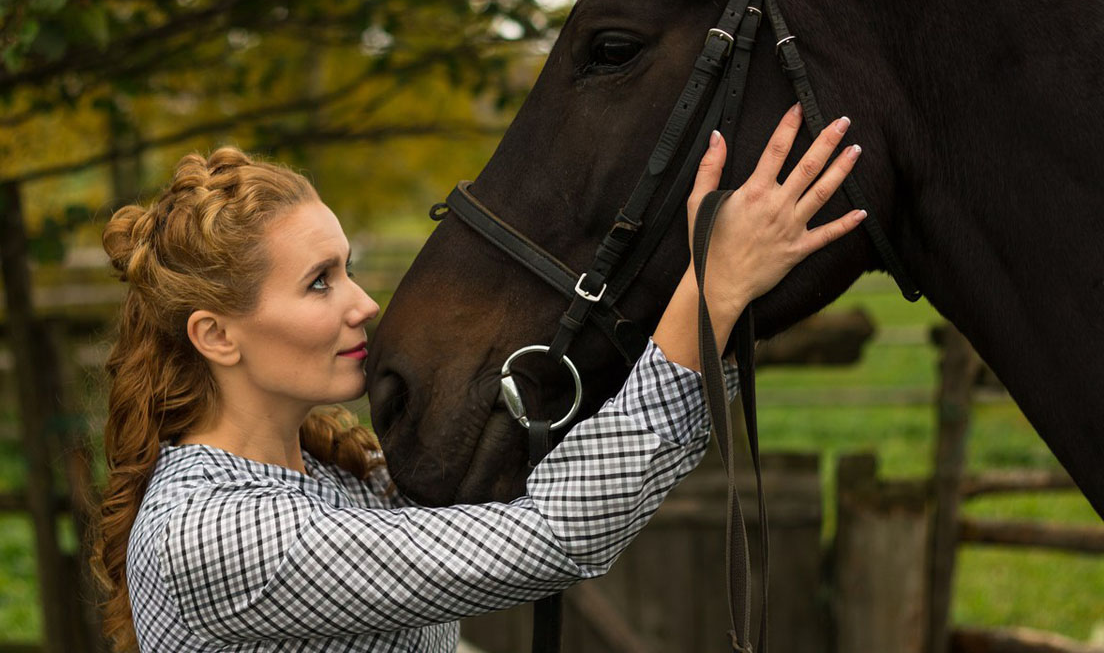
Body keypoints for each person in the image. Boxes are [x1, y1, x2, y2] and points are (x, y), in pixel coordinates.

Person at [91, 103, 865, 652]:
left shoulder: (347, 477)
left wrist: (717, 318)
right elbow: (552, 536)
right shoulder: (211, 532)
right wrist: (707, 292)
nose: (365, 305)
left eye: (348, 269)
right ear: (216, 335)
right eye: (319, 282)